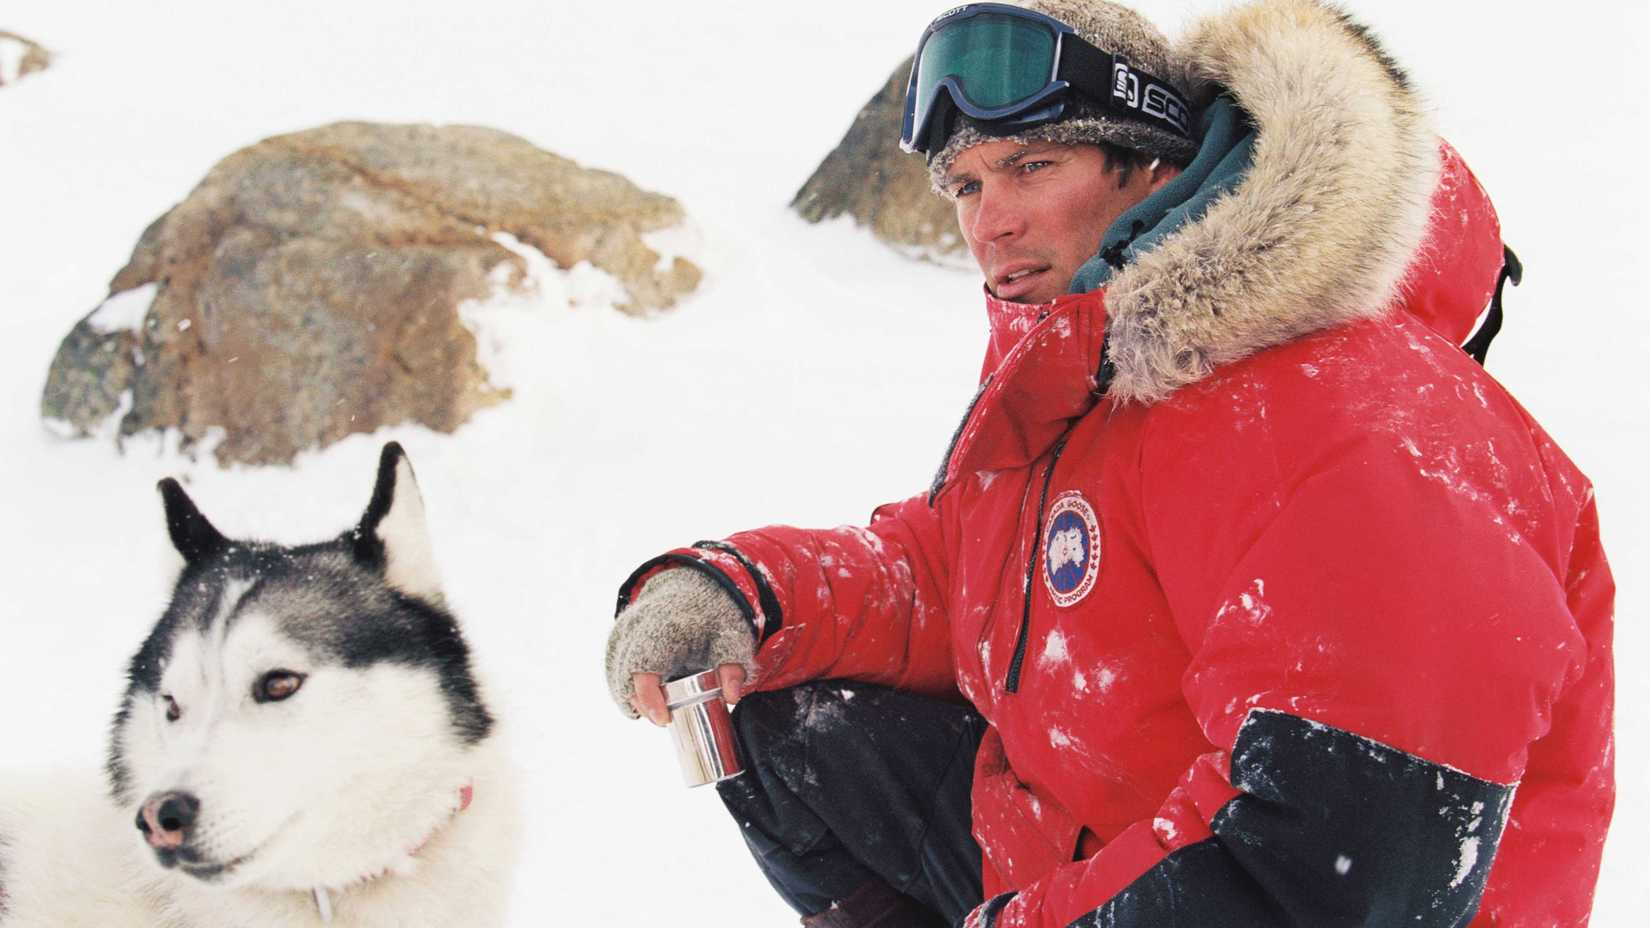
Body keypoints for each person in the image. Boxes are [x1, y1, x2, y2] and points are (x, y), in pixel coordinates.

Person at [605, 1, 1616, 925]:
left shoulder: (1356, 418)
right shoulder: (1082, 377)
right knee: (783, 721)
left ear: (1149, 167)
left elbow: (1330, 870)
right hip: (1094, 868)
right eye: (965, 181)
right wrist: (747, 593)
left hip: (1263, 896)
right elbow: (954, 571)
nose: (986, 218)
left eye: (1032, 166)